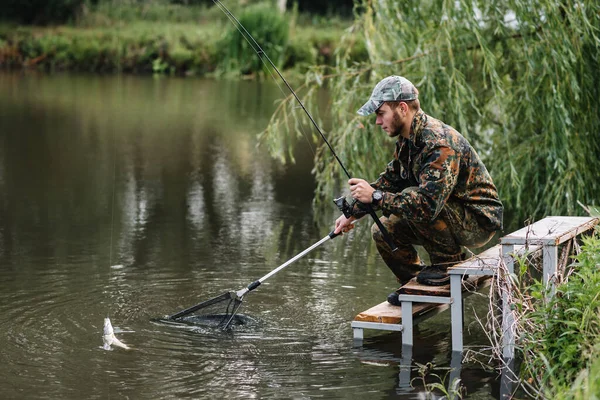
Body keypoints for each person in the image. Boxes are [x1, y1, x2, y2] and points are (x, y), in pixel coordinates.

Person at [333, 75, 503, 303]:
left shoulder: (438, 143)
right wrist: (352, 212)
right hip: (448, 212)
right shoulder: (408, 140)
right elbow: (389, 181)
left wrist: (375, 197)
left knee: (411, 197)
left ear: (402, 108)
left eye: (381, 113)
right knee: (383, 230)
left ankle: (446, 264)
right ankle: (416, 285)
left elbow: (427, 206)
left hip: (477, 220)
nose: (377, 122)